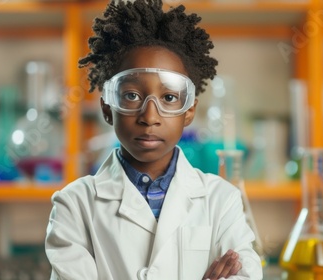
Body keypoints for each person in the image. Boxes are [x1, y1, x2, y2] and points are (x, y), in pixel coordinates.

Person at [45, 0, 263, 279]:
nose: (150, 116)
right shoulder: (74, 205)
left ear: (189, 111)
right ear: (107, 109)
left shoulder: (221, 200)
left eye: (169, 98)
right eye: (132, 96)